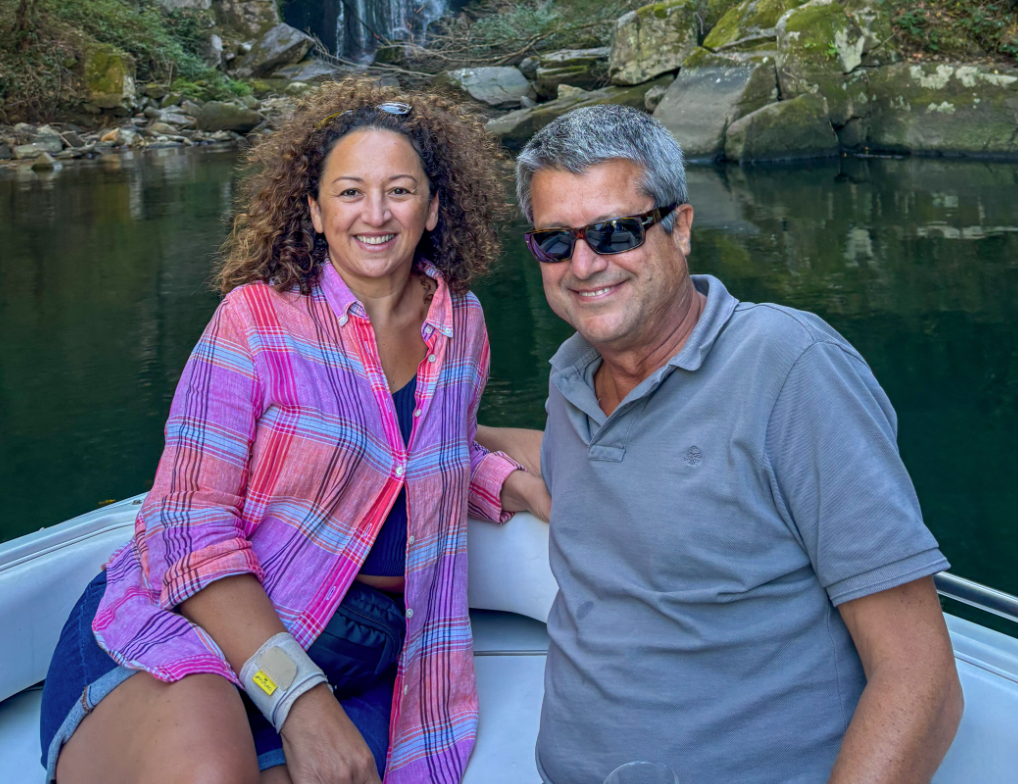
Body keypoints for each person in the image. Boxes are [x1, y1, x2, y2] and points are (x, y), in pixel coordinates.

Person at [40, 79, 548, 784]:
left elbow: (427, 456)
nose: (376, 214)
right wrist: (301, 701)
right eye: (350, 192)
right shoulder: (255, 320)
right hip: (207, 622)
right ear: (314, 210)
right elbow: (187, 524)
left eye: (400, 191)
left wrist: (522, 487)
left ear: (433, 208)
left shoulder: (462, 323)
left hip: (367, 649)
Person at [480, 103, 963, 784]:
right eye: (556, 242)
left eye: (615, 232)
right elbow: (613, 468)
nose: (583, 264)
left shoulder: (789, 367)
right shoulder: (574, 377)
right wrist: (448, 432)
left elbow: (920, 677)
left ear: (679, 228)